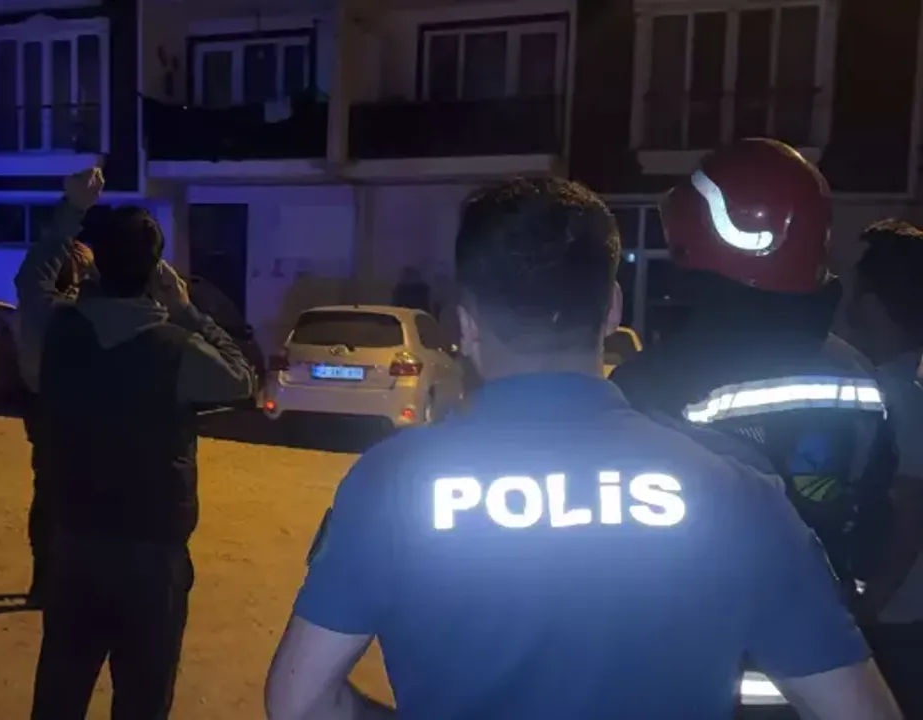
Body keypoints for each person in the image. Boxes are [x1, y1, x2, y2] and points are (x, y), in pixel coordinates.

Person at [264, 177, 901, 719]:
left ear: (467, 325)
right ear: (612, 309)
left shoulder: (390, 485)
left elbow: (297, 701)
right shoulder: (734, 487)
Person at [607, 139, 900, 609]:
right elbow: (873, 526)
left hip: (698, 633)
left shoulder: (650, 384)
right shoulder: (858, 373)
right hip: (823, 635)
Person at [29, 193, 255, 719]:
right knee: (143, 699)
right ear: (156, 271)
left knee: (59, 695)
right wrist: (187, 310)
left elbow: (32, 280)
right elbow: (242, 377)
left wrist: (70, 211)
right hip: (151, 553)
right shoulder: (176, 348)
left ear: (97, 265)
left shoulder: (56, 332)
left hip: (75, 540)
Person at [14, 168, 188, 605]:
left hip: (51, 417)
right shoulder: (78, 322)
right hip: (91, 429)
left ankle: (48, 581)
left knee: (52, 495)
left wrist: (73, 212)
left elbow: (33, 280)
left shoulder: (50, 319)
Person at [843, 219, 923, 716]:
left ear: (872, 305)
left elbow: (909, 512)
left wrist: (867, 610)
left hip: (898, 628)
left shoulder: (897, 399)